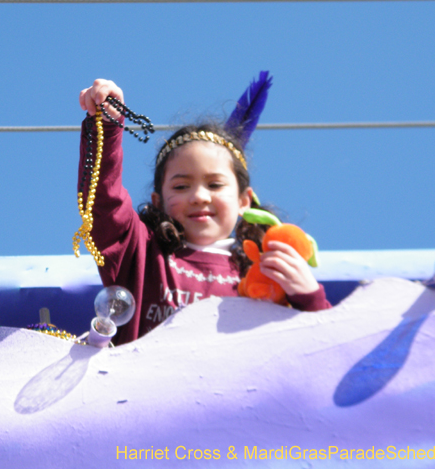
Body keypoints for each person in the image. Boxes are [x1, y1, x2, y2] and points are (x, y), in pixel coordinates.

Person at [78, 78, 330, 346]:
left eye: (215, 184)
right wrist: (107, 124)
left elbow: (322, 354)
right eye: (181, 185)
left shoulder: (266, 271)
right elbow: (104, 202)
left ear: (245, 200)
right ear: (158, 202)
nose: (199, 196)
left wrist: (308, 296)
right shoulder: (140, 252)